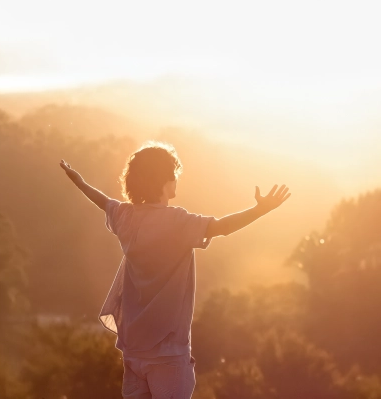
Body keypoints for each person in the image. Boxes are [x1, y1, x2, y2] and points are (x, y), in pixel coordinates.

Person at [59, 141, 291, 399]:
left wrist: (78, 181)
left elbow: (104, 202)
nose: (177, 179)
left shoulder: (126, 217)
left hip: (133, 352)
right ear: (164, 180)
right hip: (167, 355)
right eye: (174, 174)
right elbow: (222, 227)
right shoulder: (177, 222)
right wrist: (261, 210)